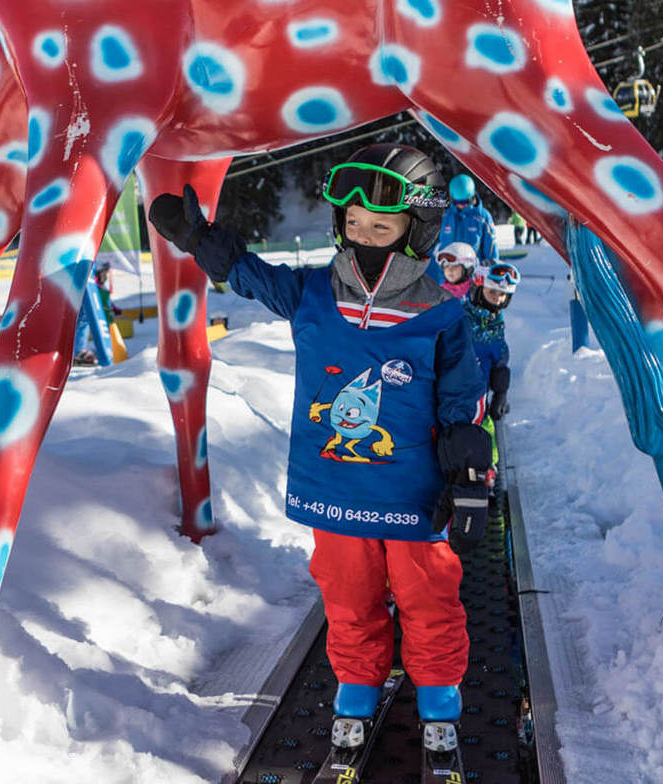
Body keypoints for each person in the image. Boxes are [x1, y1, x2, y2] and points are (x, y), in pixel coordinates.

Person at [148, 143, 491, 762]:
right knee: (347, 595)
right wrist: (198, 238)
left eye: (381, 228)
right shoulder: (311, 293)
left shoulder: (440, 315)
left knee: (428, 597)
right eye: (353, 224)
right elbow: (247, 274)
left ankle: (438, 698)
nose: (364, 238)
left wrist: (468, 477)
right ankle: (357, 688)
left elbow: (462, 402)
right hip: (334, 492)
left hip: (412, 495)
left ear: (417, 232)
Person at [468, 262, 517, 421]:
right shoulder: (462, 318)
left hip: (482, 398)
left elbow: (500, 358)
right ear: (479, 290)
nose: (497, 299)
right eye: (492, 292)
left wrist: (500, 392)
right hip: (459, 395)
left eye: (502, 294)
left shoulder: (496, 322)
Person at [436, 173, 499, 273]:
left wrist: (491, 266)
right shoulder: (445, 215)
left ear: (472, 197)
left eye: (464, 202)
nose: (461, 205)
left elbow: (491, 246)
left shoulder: (482, 217)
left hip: (472, 272)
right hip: (448, 272)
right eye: (457, 202)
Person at [73, 259, 119, 366]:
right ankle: (77, 351)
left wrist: (115, 310)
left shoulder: (100, 288)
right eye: (103, 274)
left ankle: (79, 350)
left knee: (84, 320)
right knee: (82, 319)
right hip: (82, 289)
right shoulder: (94, 286)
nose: (105, 277)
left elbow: (107, 303)